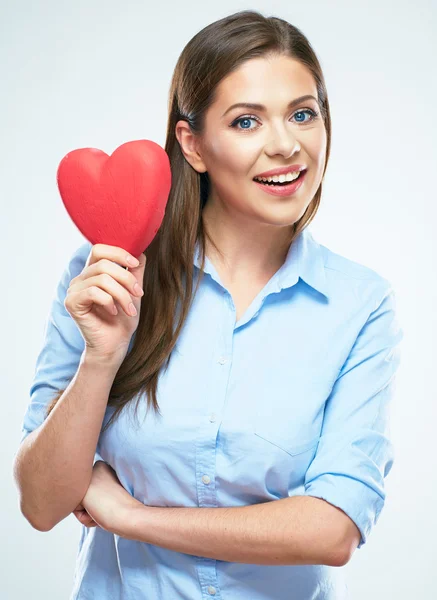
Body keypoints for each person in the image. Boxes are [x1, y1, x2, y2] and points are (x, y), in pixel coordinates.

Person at [14, 9, 403, 600]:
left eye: (303, 113)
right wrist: (101, 358)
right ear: (192, 144)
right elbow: (42, 504)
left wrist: (130, 517)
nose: (285, 145)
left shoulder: (360, 305)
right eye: (247, 122)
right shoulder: (110, 272)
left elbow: (333, 528)